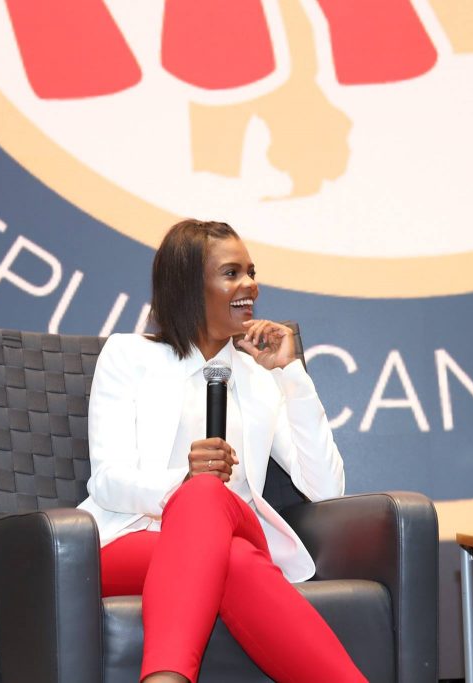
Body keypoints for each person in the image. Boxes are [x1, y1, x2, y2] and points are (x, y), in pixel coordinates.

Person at [77, 219, 367, 683]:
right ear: (189, 286)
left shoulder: (260, 378)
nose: (250, 285)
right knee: (221, 539)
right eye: (232, 273)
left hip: (234, 527)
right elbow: (107, 482)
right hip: (127, 539)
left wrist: (289, 373)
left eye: (251, 272)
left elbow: (326, 488)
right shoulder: (129, 357)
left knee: (210, 500)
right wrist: (182, 482)